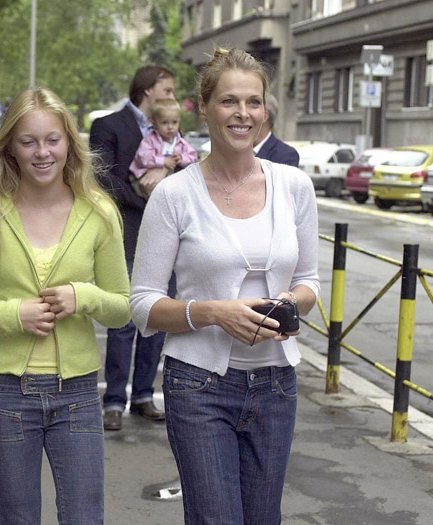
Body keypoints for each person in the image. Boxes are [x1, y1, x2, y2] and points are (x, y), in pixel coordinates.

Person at [129, 48, 319, 524]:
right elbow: (142, 304)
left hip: (277, 384)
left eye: (253, 102)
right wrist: (214, 312)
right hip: (199, 385)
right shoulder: (175, 194)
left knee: (263, 519)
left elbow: (309, 282)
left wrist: (288, 306)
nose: (243, 114)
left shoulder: (295, 186)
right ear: (204, 107)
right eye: (230, 101)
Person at [0, 86, 130, 524]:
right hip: (6, 393)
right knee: (17, 517)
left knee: (85, 517)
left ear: (70, 142)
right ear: (10, 147)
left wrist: (81, 296)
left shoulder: (99, 212)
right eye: (28, 141)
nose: (42, 152)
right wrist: (13, 315)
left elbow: (121, 308)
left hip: (79, 393)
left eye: (53, 140)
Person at [90, 64, 176, 431]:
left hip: (165, 239)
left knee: (156, 319)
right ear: (147, 89)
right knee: (123, 321)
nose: (172, 98)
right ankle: (113, 401)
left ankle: (143, 396)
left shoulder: (169, 127)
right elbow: (104, 180)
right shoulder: (108, 126)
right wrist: (151, 204)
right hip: (125, 233)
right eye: (168, 90)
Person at [128, 98, 198, 199]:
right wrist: (163, 161)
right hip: (144, 178)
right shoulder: (150, 141)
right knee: (157, 194)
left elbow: (193, 157)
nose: (170, 127)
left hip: (170, 177)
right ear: (154, 124)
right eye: (164, 123)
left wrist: (182, 159)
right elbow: (143, 157)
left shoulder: (181, 142)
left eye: (174, 122)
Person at [254, 92, 299, 168]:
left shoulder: (286, 155)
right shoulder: (237, 151)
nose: (244, 114)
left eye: (253, 107)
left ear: (265, 116)